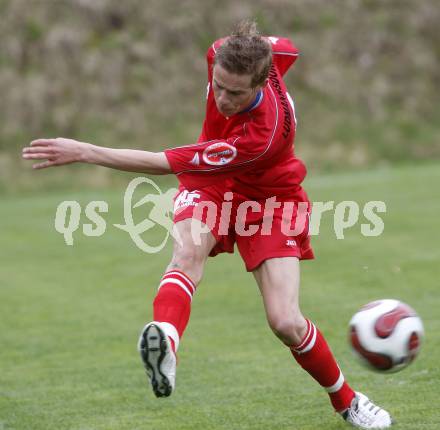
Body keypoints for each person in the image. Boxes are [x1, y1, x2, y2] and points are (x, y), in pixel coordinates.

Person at [22, 20, 392, 429]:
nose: (222, 98)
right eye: (218, 85)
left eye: (235, 93)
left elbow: (160, 164)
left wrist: (86, 150)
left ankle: (348, 401)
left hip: (270, 199)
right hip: (213, 187)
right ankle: (166, 343)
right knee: (187, 251)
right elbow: (283, 46)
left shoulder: (262, 136)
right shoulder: (241, 53)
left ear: (259, 83)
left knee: (285, 321)